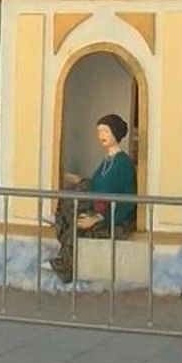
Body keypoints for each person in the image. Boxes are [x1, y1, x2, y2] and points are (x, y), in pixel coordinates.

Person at [48, 114, 136, 283]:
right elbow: (98, 183)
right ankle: (60, 224)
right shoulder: (107, 160)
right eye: (99, 131)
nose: (101, 135)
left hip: (115, 218)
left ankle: (66, 268)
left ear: (115, 133)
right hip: (99, 209)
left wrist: (99, 218)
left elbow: (127, 201)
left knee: (78, 224)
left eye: (105, 131)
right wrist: (79, 180)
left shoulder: (123, 163)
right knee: (72, 195)